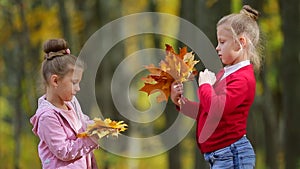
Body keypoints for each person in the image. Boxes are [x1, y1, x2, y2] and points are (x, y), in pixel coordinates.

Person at [171, 5, 261, 169]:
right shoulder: (224, 74)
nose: (217, 47)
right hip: (221, 156)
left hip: (233, 155)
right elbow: (207, 112)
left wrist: (205, 85)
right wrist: (180, 102)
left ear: (240, 43)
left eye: (222, 42)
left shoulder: (243, 79)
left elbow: (215, 108)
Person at [30, 38, 99, 169]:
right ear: (55, 81)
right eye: (74, 82)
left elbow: (82, 123)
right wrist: (91, 139)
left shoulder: (71, 102)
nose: (78, 88)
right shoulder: (47, 117)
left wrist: (97, 127)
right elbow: (64, 151)